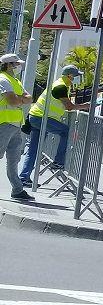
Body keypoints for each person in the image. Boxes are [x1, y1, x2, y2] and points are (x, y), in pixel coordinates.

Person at [19, 65, 90, 186]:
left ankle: (24, 177)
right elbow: (69, 107)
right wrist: (87, 106)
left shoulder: (61, 85)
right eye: (76, 76)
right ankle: (58, 161)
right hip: (42, 118)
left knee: (33, 149)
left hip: (36, 117)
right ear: (70, 76)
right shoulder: (60, 87)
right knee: (66, 131)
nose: (78, 78)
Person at [0, 54, 34, 201]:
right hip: (4, 124)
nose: (18, 66)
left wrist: (19, 99)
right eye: (16, 64)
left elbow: (30, 98)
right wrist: (21, 99)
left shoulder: (15, 81)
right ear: (9, 65)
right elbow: (13, 101)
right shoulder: (3, 79)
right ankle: (18, 189)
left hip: (15, 125)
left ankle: (17, 190)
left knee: (14, 159)